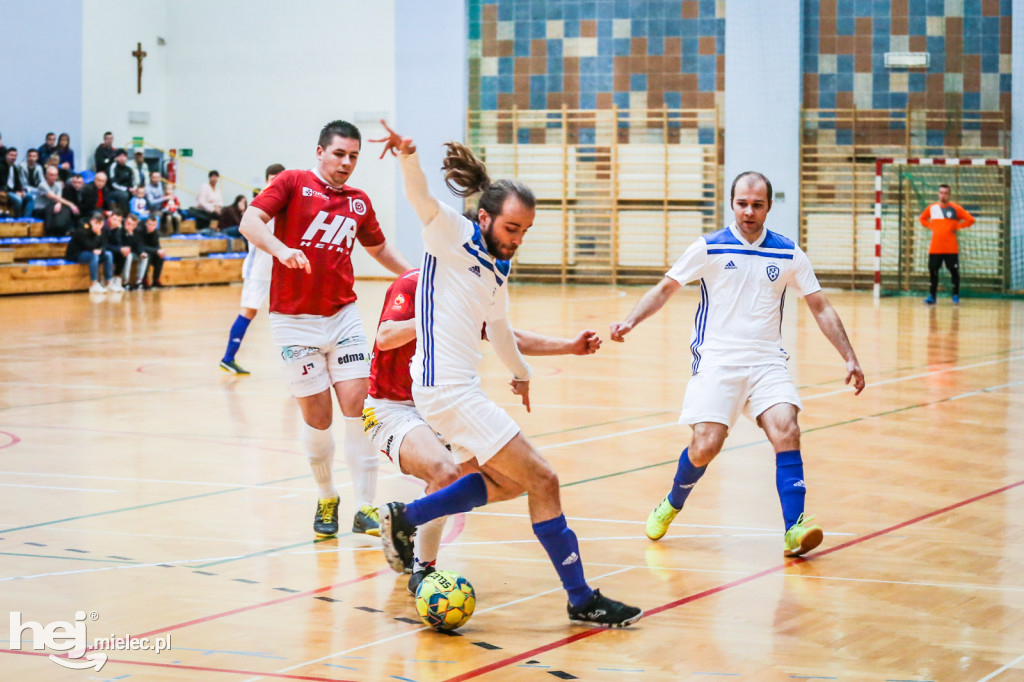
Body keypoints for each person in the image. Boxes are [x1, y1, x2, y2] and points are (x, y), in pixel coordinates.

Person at [373, 121, 642, 628]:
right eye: (511, 228)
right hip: (446, 393)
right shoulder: (452, 237)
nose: (517, 239)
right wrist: (408, 156)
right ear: (485, 218)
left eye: (525, 231)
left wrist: (521, 374)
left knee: (511, 483)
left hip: (455, 392)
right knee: (545, 478)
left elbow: (498, 329)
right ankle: (581, 599)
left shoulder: (497, 270)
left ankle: (407, 518)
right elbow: (422, 199)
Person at [609, 171, 866, 558]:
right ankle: (672, 503)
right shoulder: (708, 247)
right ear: (732, 203)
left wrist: (849, 355)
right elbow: (665, 288)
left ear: (768, 207)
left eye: (757, 204)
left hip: (767, 362)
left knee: (787, 429)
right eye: (742, 203)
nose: (749, 211)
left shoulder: (788, 253)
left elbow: (820, 306)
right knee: (706, 446)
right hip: (717, 361)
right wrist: (630, 320)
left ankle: (793, 529)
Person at [365, 266, 604, 594]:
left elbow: (508, 335)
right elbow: (385, 336)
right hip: (391, 408)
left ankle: (405, 520)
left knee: (509, 481)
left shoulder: (470, 288)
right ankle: (422, 565)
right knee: (445, 472)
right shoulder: (413, 283)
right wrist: (434, 316)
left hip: (441, 406)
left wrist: (569, 346)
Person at [239, 120, 413, 539]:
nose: (347, 163)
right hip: (293, 322)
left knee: (358, 406)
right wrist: (282, 250)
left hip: (343, 316)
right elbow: (250, 222)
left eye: (353, 156)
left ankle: (367, 507)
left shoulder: (357, 201)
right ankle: (327, 495)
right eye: (339, 154)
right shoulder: (292, 182)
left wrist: (417, 273)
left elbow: (379, 248)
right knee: (318, 418)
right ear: (320, 152)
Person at [220, 164, 284, 375]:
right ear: (266, 180)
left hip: (279, 269)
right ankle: (228, 359)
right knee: (249, 311)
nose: (274, 183)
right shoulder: (260, 203)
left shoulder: (286, 203)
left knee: (288, 315)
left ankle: (293, 366)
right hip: (258, 270)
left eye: (278, 179)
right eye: (271, 179)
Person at [919, 183, 975, 305]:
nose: (943, 195)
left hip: (951, 248)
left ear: (949, 195)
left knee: (954, 272)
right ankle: (932, 296)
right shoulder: (932, 208)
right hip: (935, 248)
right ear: (938, 194)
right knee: (933, 272)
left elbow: (971, 219)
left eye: (945, 193)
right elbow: (922, 219)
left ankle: (955, 295)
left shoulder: (955, 208)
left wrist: (958, 226)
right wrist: (930, 226)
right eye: (941, 193)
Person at [66, 211, 115, 294]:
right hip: (77, 253)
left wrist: (101, 250)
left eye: (101, 225)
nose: (99, 227)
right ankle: (94, 284)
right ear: (92, 222)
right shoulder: (83, 229)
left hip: (90, 252)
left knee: (108, 254)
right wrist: (97, 235)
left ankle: (108, 282)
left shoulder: (101, 230)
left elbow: (105, 244)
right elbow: (89, 246)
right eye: (97, 224)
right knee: (94, 256)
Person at [36, 166, 80, 235]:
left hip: (52, 207)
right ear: (46, 176)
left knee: (65, 209)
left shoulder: (58, 185)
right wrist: (71, 204)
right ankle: (49, 232)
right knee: (53, 208)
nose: (54, 177)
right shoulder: (42, 185)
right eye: (51, 175)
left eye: (55, 175)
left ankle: (67, 230)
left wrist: (59, 203)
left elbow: (59, 198)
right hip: (40, 209)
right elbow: (54, 197)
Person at [138, 214, 165, 288]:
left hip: (150, 251)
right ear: (146, 224)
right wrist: (156, 250)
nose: (151, 227)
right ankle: (144, 280)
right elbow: (141, 246)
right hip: (140, 251)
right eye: (150, 224)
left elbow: (157, 246)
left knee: (160, 257)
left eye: (154, 225)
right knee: (147, 256)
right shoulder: (140, 230)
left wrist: (160, 251)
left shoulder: (155, 232)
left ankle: (156, 280)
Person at [0, 147, 26, 217]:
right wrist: (15, 192)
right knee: (18, 199)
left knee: (30, 197)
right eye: (11, 155)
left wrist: (21, 191)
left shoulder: (15, 168)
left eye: (15, 155)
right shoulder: (1, 166)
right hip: (4, 192)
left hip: (13, 191)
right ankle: (18, 220)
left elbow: (17, 182)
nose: (13, 157)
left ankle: (27, 220)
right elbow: (3, 185)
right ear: (6, 155)